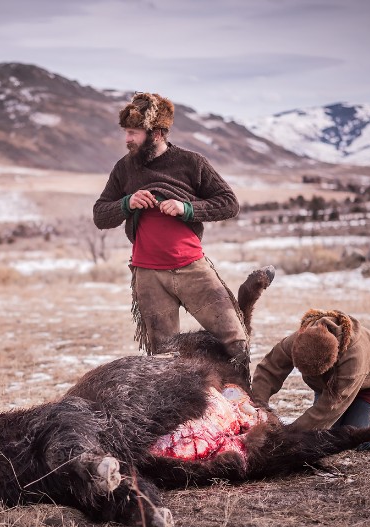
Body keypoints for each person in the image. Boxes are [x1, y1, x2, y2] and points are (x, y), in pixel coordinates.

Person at [93, 91, 251, 379]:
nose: (127, 139)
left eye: (134, 133)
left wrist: (186, 208)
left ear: (156, 132)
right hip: (148, 276)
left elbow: (229, 203)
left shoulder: (191, 163)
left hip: (192, 267)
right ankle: (178, 416)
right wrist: (126, 203)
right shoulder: (124, 168)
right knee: (163, 358)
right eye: (126, 132)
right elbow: (100, 214)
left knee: (235, 341)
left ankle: (245, 404)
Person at [249, 308, 370, 450]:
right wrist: (257, 408)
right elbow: (268, 370)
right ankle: (353, 412)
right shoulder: (300, 339)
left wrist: (286, 436)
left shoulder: (354, 357)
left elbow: (329, 408)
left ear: (332, 361)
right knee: (325, 434)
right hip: (332, 387)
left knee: (360, 441)